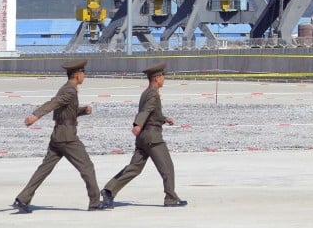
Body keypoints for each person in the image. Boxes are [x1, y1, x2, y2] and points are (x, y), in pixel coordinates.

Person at [13, 58, 103, 213]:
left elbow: (65, 112)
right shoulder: (69, 90)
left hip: (58, 135)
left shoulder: (66, 88)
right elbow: (54, 103)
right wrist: (36, 116)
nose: (85, 76)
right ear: (77, 75)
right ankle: (95, 202)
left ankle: (23, 198)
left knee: (44, 169)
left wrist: (82, 111)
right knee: (87, 167)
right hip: (67, 137)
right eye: (83, 73)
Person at [100, 62, 187, 208]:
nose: (164, 79)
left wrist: (164, 119)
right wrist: (137, 124)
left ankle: (109, 190)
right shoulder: (153, 94)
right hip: (153, 137)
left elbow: (151, 113)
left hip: (143, 138)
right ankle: (171, 198)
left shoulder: (146, 92)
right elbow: (145, 111)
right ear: (156, 78)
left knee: (134, 168)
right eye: (162, 76)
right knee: (167, 168)